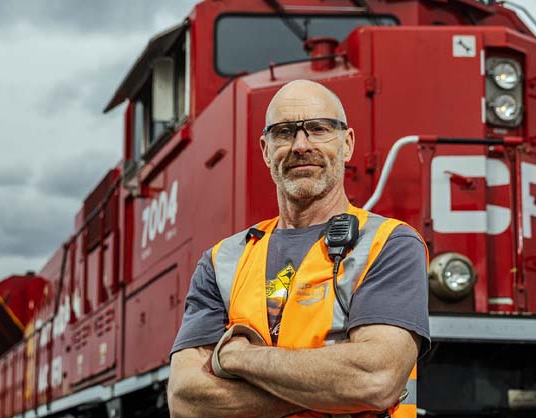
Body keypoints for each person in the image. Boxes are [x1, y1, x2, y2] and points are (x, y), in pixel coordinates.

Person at [167, 79, 429, 418]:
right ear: (265, 149)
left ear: (347, 144)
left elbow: (375, 380)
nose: (301, 145)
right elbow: (186, 400)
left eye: (318, 129)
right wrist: (333, 392)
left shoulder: (388, 244)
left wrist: (237, 357)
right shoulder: (222, 262)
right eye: (285, 132)